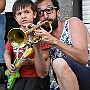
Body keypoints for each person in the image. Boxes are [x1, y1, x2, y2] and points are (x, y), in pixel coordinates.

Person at [35, 0, 90, 90]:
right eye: (40, 13)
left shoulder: (73, 23)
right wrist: (36, 46)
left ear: (58, 12)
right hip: (59, 85)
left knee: (58, 63)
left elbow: (83, 59)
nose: (45, 16)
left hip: (85, 77)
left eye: (49, 10)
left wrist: (55, 41)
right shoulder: (44, 35)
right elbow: (42, 73)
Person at [4, 0, 51, 90]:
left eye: (27, 12)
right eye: (19, 14)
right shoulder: (14, 34)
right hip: (17, 76)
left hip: (35, 76)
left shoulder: (40, 32)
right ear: (15, 18)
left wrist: (32, 61)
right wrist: (9, 65)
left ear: (34, 14)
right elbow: (7, 52)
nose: (23, 16)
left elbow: (46, 54)